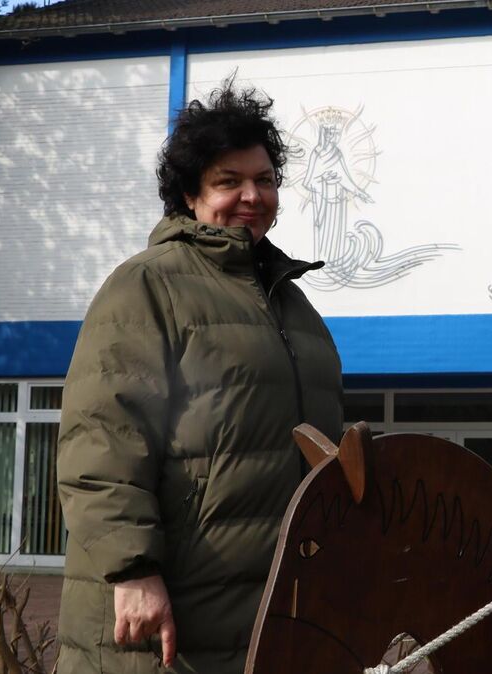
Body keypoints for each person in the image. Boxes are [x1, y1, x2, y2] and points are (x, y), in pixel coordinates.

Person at [55, 81, 343, 674]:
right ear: (189, 193)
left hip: (271, 608)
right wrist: (133, 570)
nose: (251, 196)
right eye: (228, 181)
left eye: (264, 180)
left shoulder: (294, 306)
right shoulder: (147, 285)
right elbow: (100, 443)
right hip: (171, 614)